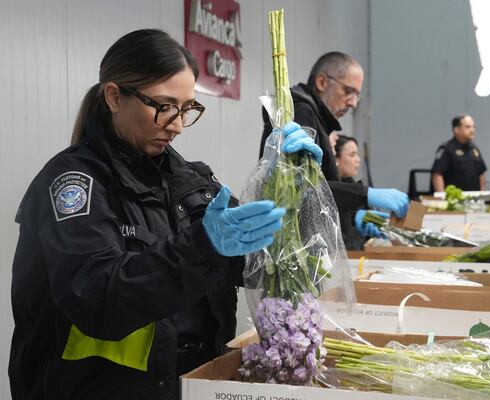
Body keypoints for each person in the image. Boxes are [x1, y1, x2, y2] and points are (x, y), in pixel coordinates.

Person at [9, 29, 322, 400]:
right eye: (163, 105)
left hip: (190, 385)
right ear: (114, 96)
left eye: (187, 108)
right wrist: (202, 246)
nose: (175, 124)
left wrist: (293, 186)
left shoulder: (191, 180)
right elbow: (98, 300)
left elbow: (266, 263)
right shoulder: (75, 185)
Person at [259, 52, 409, 249]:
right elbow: (301, 188)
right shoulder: (302, 112)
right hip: (294, 249)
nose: (353, 102)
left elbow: (318, 189)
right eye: (349, 91)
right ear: (322, 82)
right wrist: (364, 194)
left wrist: (353, 217)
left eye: (357, 94)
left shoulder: (313, 116)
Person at [333, 135, 386, 249]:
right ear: (335, 158)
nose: (358, 160)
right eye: (352, 155)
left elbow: (355, 216)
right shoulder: (333, 193)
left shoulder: (351, 184)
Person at [431, 114, 487, 192]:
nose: (472, 130)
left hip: (474, 200)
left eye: (473, 127)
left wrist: (482, 194)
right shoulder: (447, 148)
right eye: (468, 127)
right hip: (454, 199)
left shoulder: (474, 149)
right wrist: (442, 197)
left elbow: (481, 173)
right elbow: (437, 175)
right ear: (457, 130)